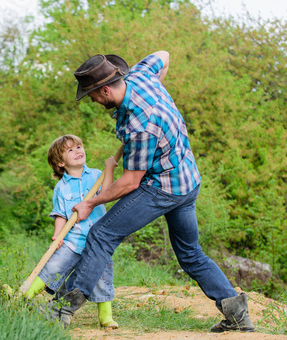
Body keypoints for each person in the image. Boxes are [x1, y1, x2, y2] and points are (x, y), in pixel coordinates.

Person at [43, 52, 255, 333]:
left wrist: (90, 203)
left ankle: (63, 309)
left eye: (92, 95)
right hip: (188, 181)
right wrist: (156, 94)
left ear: (105, 89)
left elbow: (130, 183)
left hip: (163, 188)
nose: (92, 101)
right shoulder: (141, 76)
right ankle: (239, 317)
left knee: (102, 234)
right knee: (191, 253)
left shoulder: (139, 126)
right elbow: (165, 55)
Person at [24, 134, 119, 329]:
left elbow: (107, 193)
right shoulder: (61, 187)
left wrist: (109, 169)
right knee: (53, 267)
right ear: (60, 162)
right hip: (72, 239)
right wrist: (57, 235)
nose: (78, 151)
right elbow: (61, 215)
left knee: (102, 277)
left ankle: (106, 318)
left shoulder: (96, 175)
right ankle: (24, 295)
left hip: (98, 241)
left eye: (79, 147)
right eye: (70, 150)